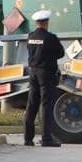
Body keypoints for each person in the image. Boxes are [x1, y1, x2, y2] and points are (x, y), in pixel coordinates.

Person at [25, 9, 65, 147]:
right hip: (46, 73)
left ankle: (28, 139)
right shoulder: (50, 38)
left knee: (31, 105)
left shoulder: (30, 36)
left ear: (36, 23)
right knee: (46, 105)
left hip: (33, 72)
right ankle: (46, 138)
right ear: (46, 23)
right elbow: (60, 53)